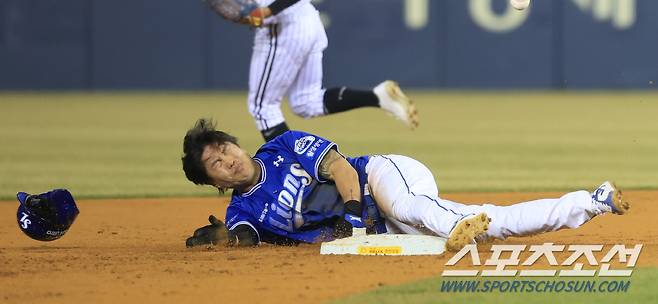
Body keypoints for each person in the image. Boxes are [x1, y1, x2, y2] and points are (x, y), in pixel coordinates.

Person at [181, 119, 630, 251]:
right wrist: (224, 237)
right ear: (214, 184)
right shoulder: (242, 211)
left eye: (223, 147)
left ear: (235, 143)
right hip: (382, 228)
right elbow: (243, 237)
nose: (227, 159)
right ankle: (589, 202)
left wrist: (355, 212)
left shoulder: (282, 147)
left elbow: (339, 168)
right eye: (215, 164)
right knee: (495, 226)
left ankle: (459, 228)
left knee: (414, 208)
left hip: (381, 179)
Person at [210, 0, 419, 141]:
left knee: (262, 106)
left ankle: (294, 169)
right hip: (306, 20)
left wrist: (267, 10)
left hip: (282, 25)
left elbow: (257, 12)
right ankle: (377, 97)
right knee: (305, 102)